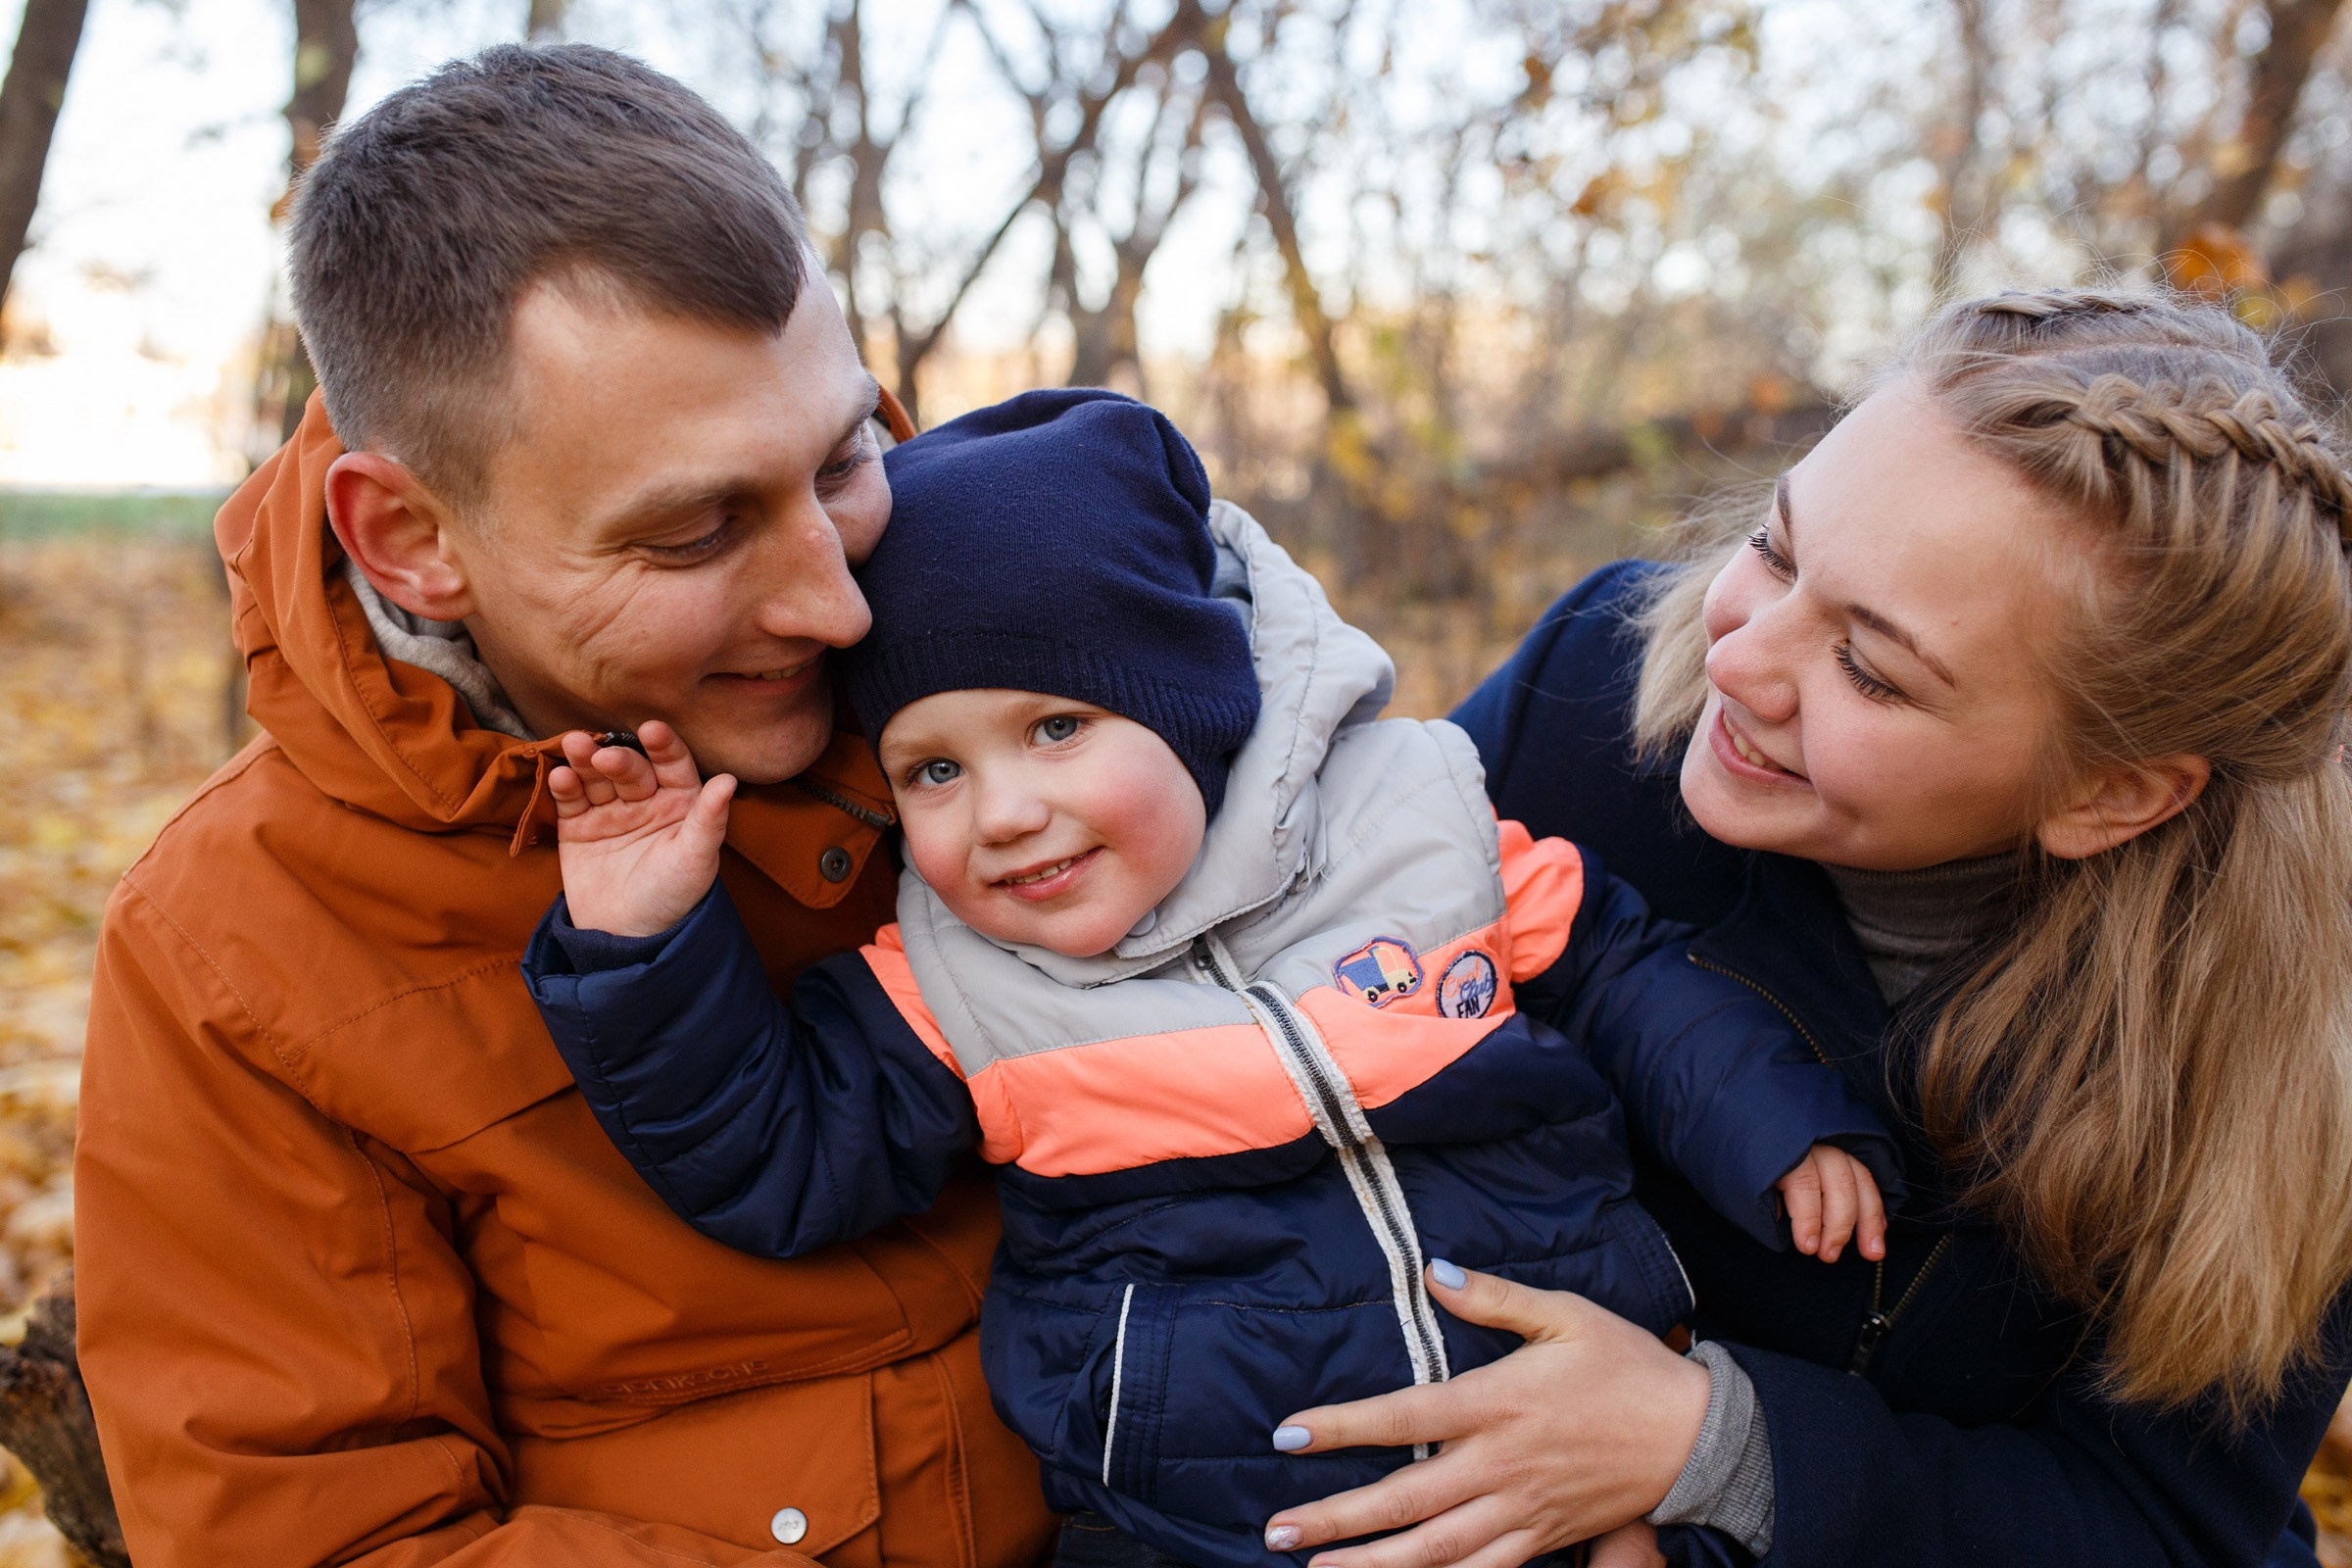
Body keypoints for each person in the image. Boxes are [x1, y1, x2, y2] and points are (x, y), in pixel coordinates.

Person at [518, 389, 1903, 1568]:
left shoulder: (1419, 828)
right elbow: (780, 1157)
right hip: (1210, 1519)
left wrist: (1770, 1123)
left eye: (1056, 726)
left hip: (1562, 1458)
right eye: (934, 769)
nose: (999, 811)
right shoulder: (956, 986)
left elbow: (1623, 970)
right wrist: (643, 948)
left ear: (1193, 701)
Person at [72, 45, 1058, 1567]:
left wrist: (1577, 1401)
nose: (840, 603)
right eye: (696, 528)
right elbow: (324, 1536)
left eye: (844, 453)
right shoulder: (244, 945)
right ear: (410, 539)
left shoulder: (1041, 643)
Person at [1255, 288, 2352, 1568]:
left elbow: (2158, 1527)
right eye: (1776, 550)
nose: (1738, 660)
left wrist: (1712, 1446)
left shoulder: (2292, 1055)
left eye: (1873, 669)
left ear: (2110, 792)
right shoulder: (1590, 701)